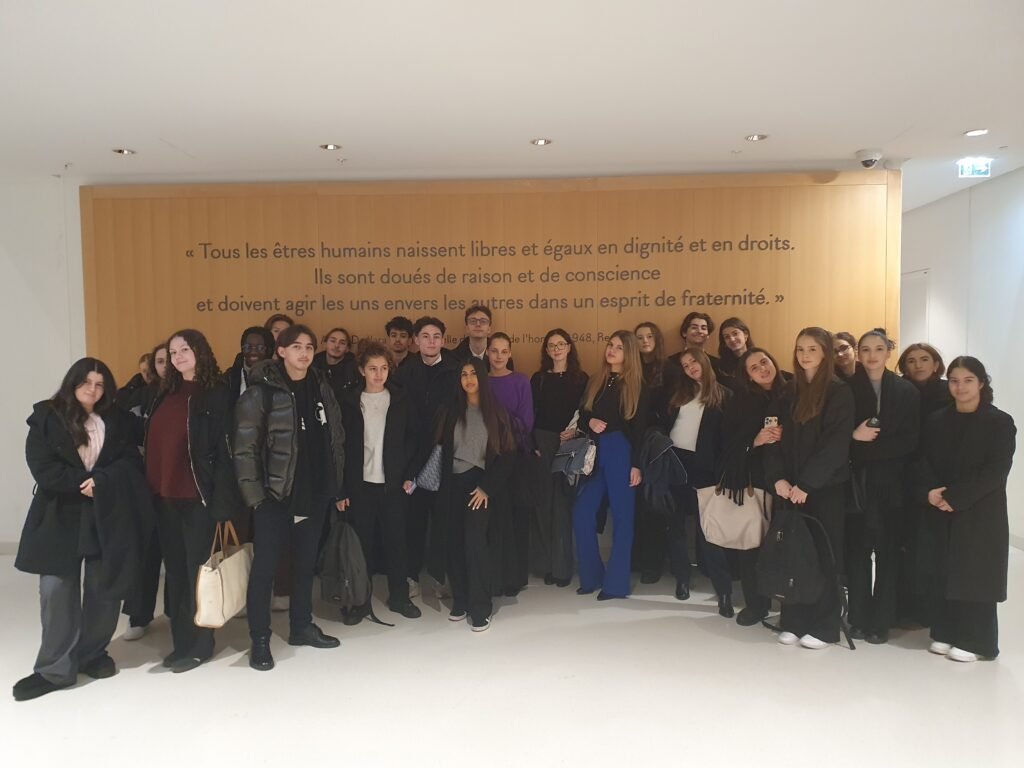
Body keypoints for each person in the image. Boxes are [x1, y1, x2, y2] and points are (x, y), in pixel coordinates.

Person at [13, 359, 151, 702]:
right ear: (72, 383)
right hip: (59, 513)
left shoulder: (117, 419)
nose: (92, 390)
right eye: (86, 382)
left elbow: (130, 461)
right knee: (56, 590)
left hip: (105, 511)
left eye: (100, 384)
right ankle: (54, 669)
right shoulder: (47, 416)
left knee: (105, 587)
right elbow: (42, 465)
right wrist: (81, 483)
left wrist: (101, 481)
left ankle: (92, 654)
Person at [233, 324, 346, 671]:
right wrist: (256, 497)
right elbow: (245, 449)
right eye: (296, 346)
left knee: (305, 564)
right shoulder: (260, 393)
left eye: (309, 347)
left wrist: (335, 484)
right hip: (274, 496)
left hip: (313, 492)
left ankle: (301, 626)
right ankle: (260, 639)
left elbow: (335, 438)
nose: (304, 353)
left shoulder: (321, 386)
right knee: (265, 569)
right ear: (280, 351)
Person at [144, 330, 238, 672]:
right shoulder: (165, 393)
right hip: (164, 498)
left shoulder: (215, 394)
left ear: (200, 351)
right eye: (173, 352)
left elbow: (226, 454)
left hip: (198, 499)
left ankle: (201, 644)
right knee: (176, 575)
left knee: (199, 575)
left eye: (185, 349)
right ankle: (181, 642)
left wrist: (222, 502)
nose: (178, 356)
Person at [916, 357, 1015, 662]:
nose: (960, 387)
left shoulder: (999, 422)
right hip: (941, 506)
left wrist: (956, 498)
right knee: (944, 570)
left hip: (980, 510)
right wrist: (930, 491)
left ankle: (976, 641)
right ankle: (945, 631)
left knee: (976, 574)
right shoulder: (937, 420)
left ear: (982, 383)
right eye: (955, 381)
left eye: (968, 380)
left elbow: (996, 470)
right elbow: (923, 461)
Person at [764, 327, 854, 650]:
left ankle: (824, 625)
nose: (805, 355)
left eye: (812, 349)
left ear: (825, 353)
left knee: (823, 555)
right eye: (800, 349)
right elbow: (773, 437)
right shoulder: (787, 391)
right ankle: (793, 620)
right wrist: (778, 478)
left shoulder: (838, 392)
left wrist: (807, 483)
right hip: (788, 489)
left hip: (823, 489)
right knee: (792, 554)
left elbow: (835, 445)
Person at [428, 359, 516, 631]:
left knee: (475, 545)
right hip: (451, 484)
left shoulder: (496, 412)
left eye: (473, 374)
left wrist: (487, 487)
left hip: (479, 485)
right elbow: (438, 449)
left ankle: (480, 608)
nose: (468, 379)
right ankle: (462, 600)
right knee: (454, 543)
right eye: (464, 374)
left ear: (482, 378)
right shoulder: (449, 410)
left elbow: (508, 455)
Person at [337, 342, 421, 623]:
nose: (378, 374)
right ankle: (359, 602)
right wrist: (341, 488)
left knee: (397, 543)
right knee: (362, 547)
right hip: (359, 485)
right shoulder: (349, 401)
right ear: (362, 370)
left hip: (392, 485)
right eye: (372, 368)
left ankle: (399, 598)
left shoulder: (400, 399)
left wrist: (409, 473)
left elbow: (414, 438)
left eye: (384, 368)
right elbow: (339, 446)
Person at [846, 328, 920, 644]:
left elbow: (910, 440)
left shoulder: (906, 390)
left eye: (878, 349)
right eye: (865, 349)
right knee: (857, 552)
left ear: (889, 352)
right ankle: (858, 616)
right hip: (856, 483)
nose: (872, 355)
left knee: (888, 553)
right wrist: (854, 440)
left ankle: (881, 620)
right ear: (858, 354)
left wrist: (865, 448)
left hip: (892, 483)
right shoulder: (846, 388)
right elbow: (837, 435)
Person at [573, 331, 649, 600]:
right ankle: (591, 576)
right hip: (595, 451)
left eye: (619, 347)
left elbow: (640, 429)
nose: (612, 350)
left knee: (623, 517)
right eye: (610, 345)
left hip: (621, 451)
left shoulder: (637, 385)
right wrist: (590, 421)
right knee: (581, 512)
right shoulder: (597, 379)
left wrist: (636, 465)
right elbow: (583, 414)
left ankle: (616, 585)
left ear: (629, 353)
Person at [659, 348, 734, 615]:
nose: (690, 367)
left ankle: (723, 591)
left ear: (704, 361)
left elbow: (728, 440)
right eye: (685, 364)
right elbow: (664, 425)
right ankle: (682, 578)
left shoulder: (724, 395)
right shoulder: (679, 393)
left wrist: (720, 473)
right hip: (675, 464)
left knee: (709, 531)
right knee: (676, 526)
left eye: (693, 361)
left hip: (706, 469)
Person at [392, 316, 461, 596]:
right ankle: (411, 577)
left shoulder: (456, 370)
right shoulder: (405, 372)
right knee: (414, 520)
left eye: (436, 337)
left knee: (445, 519)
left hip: (446, 454)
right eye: (425, 336)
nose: (431, 342)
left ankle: (442, 576)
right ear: (415, 341)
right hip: (413, 457)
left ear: (443, 340)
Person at [719, 347, 788, 625]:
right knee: (751, 545)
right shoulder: (741, 402)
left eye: (764, 362)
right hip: (755, 482)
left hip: (792, 480)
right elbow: (727, 444)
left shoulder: (794, 390)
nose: (762, 369)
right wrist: (755, 441)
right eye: (754, 368)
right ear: (747, 376)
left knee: (789, 543)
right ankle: (756, 604)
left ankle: (790, 603)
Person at [530, 329, 588, 587]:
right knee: (544, 505)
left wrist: (576, 431)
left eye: (561, 344)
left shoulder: (581, 378)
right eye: (551, 345)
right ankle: (547, 566)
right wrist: (533, 444)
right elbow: (530, 414)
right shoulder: (539, 378)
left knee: (562, 505)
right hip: (543, 442)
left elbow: (586, 412)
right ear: (546, 350)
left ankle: (562, 569)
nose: (556, 348)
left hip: (569, 445)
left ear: (569, 347)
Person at [486, 332, 534, 596]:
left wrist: (503, 432)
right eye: (494, 351)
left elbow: (526, 420)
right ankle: (496, 577)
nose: (499, 356)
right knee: (496, 520)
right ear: (487, 353)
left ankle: (515, 578)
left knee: (516, 517)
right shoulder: (480, 381)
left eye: (504, 351)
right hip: (488, 460)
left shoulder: (520, 381)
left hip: (515, 457)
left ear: (510, 354)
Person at [897, 342, 952, 426]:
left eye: (924, 360)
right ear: (905, 368)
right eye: (911, 361)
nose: (918, 366)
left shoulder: (949, 390)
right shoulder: (896, 390)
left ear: (935, 365)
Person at [664, 312, 719, 391]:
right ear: (684, 333)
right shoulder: (670, 362)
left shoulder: (716, 364)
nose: (699, 331)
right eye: (694, 327)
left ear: (708, 335)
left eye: (703, 328)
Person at [224, 326, 275, 409]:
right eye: (248, 347)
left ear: (269, 350)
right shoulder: (229, 378)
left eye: (260, 348)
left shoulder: (278, 376)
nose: (253, 352)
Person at [313, 326, 359, 398]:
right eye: (333, 341)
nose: (337, 345)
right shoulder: (313, 365)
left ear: (347, 348)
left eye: (342, 343)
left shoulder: (354, 368)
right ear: (325, 343)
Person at [716, 317, 754, 385]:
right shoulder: (721, 366)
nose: (732, 339)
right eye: (727, 337)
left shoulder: (757, 359)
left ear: (745, 334)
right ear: (724, 342)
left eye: (735, 334)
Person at [634, 321, 666, 390]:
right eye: (640, 338)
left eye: (649, 336)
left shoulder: (669, 368)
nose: (645, 340)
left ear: (657, 339)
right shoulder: (632, 367)